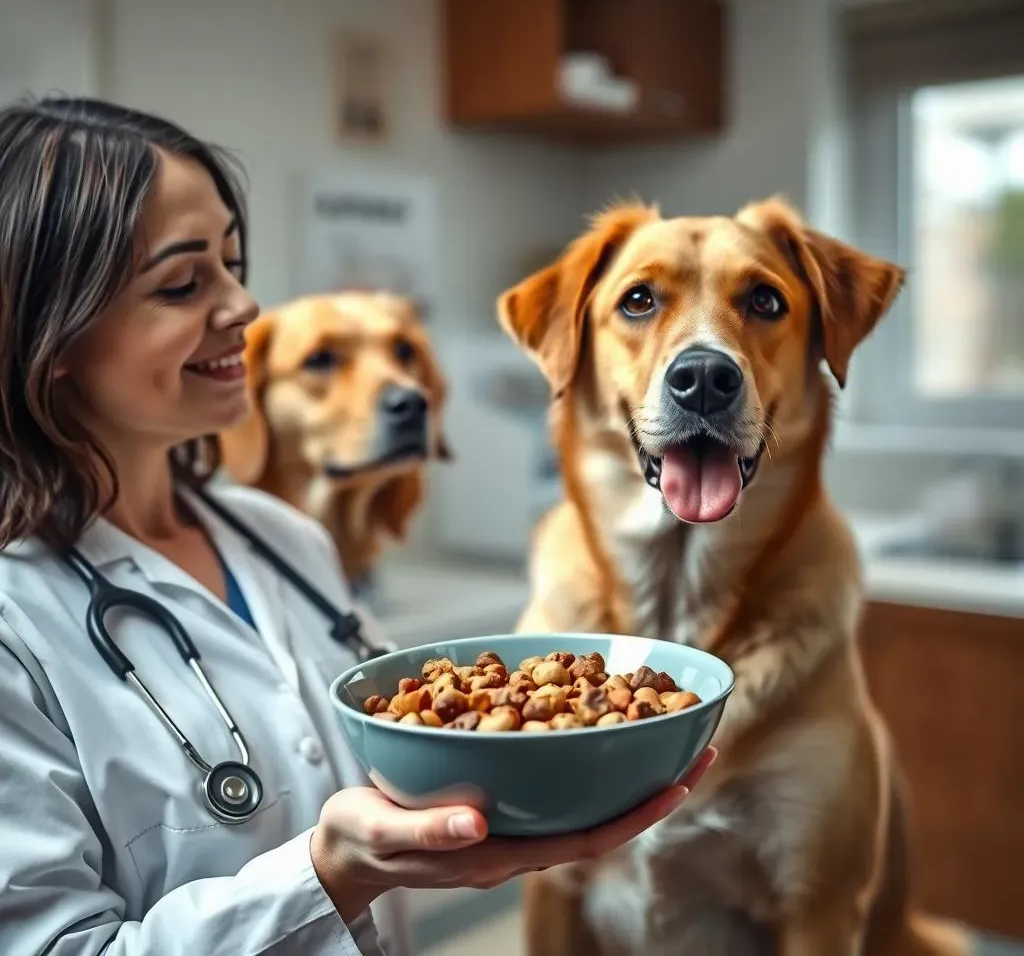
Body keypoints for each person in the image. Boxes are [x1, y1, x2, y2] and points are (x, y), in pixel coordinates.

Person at [0, 96, 716, 956]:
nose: (244, 307)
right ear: (50, 330)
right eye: (185, 283)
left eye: (233, 263)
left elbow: (421, 753)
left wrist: (575, 765)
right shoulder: (17, 621)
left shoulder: (283, 540)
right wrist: (332, 873)